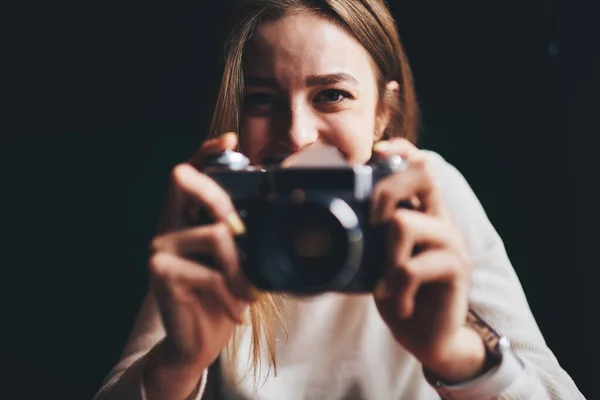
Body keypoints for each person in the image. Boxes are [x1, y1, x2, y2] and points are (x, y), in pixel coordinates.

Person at [94, 0, 585, 399]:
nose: (297, 134)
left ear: (382, 115)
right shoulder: (228, 213)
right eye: (262, 99)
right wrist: (175, 367)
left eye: (331, 95)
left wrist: (459, 354)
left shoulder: (422, 194)